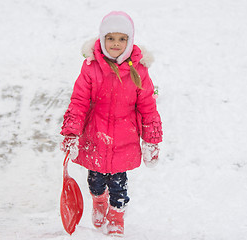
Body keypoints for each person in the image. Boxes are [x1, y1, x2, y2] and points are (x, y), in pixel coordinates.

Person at [60, 11, 163, 236]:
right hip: (95, 136)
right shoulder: (91, 67)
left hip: (124, 138)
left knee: (119, 184)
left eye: (121, 39)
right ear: (102, 38)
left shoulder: (139, 70)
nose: (116, 44)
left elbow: (147, 106)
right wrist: (71, 133)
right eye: (111, 38)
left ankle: (116, 216)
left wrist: (151, 140)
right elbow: (78, 101)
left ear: (130, 40)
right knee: (96, 180)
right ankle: (99, 202)